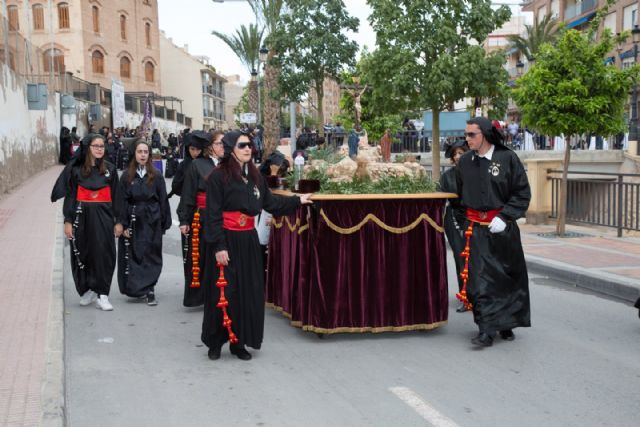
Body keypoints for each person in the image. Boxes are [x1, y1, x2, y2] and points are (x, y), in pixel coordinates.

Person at [201, 131, 313, 361]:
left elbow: (270, 203)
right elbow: (212, 215)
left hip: (249, 241)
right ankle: (215, 342)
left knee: (247, 294)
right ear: (231, 148)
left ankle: (239, 342)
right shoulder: (217, 177)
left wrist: (297, 200)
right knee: (224, 292)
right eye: (242, 145)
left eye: (250, 145)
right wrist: (219, 246)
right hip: (227, 241)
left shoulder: (255, 177)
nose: (247, 149)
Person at [455, 117, 531, 347]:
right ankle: (486, 329)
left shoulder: (507, 158)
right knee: (480, 282)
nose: (467, 139)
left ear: (485, 135)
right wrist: (461, 221)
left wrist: (505, 216)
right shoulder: (466, 161)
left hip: (502, 230)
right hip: (476, 231)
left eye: (472, 135)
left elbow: (521, 192)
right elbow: (459, 195)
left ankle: (506, 322)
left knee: (507, 279)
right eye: (466, 134)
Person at [51, 134, 119, 311]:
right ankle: (88, 289)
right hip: (81, 218)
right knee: (83, 253)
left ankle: (103, 294)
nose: (99, 149)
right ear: (88, 148)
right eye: (95, 146)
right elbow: (71, 197)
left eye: (102, 146)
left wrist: (119, 221)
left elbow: (118, 198)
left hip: (104, 218)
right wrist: (68, 220)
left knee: (104, 253)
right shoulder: (77, 170)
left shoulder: (110, 169)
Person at [115, 140, 171, 306]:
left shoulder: (157, 176)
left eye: (146, 152)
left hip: (152, 217)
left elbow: (163, 201)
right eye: (139, 151)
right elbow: (121, 201)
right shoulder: (126, 176)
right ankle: (136, 287)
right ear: (134, 154)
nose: (143, 155)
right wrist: (122, 223)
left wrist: (163, 223)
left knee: (151, 253)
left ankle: (150, 289)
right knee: (135, 252)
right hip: (134, 218)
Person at [176, 130, 224, 307]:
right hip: (202, 217)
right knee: (202, 258)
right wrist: (183, 220)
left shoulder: (228, 164)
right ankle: (202, 296)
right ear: (210, 147)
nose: (223, 146)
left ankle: (221, 293)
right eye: (219, 143)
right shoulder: (197, 165)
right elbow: (188, 194)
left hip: (223, 217)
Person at [437, 139, 469, 312]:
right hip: (454, 219)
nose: (457, 157)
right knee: (460, 256)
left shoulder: (476, 173)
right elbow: (438, 198)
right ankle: (464, 296)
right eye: (455, 154)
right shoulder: (447, 176)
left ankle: (478, 294)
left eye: (461, 153)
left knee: (476, 257)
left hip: (473, 217)